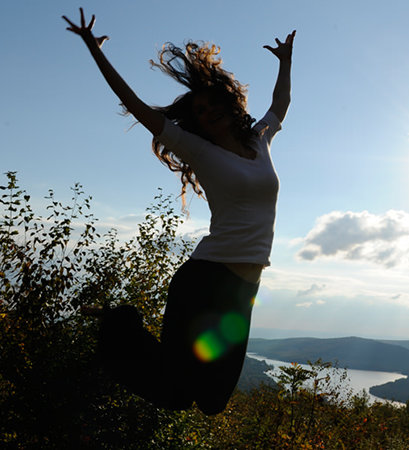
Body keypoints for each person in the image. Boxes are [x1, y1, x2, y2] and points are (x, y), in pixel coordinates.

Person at [63, 8, 295, 415]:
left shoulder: (260, 140)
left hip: (244, 289)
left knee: (212, 401)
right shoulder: (199, 150)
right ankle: (119, 322)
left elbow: (281, 102)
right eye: (200, 112)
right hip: (206, 278)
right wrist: (94, 51)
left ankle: (121, 324)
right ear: (197, 125)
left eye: (212, 104)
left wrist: (286, 62)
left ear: (227, 102)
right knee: (174, 394)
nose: (208, 113)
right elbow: (134, 104)